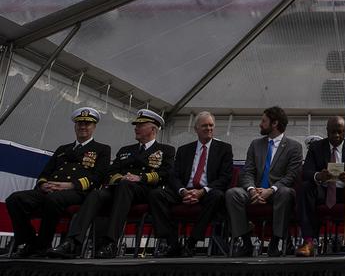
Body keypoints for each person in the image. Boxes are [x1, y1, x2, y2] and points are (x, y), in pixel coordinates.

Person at [49, 109, 175, 259]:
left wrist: (140, 178)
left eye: (140, 125)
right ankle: (73, 242)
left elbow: (166, 174)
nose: (136, 128)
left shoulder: (166, 150)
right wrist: (121, 178)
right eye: (136, 125)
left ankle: (110, 243)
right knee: (96, 194)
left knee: (125, 186)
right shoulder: (125, 150)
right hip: (120, 188)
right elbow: (109, 173)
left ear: (153, 129)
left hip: (144, 191)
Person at [7, 108, 111, 258]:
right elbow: (45, 173)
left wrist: (71, 185)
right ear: (75, 126)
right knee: (15, 200)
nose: (83, 127)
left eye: (87, 124)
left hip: (77, 192)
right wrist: (43, 184)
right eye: (79, 123)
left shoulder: (102, 149)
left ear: (94, 127)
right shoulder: (63, 149)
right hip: (50, 190)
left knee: (53, 200)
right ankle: (29, 242)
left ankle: (43, 246)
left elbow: (99, 177)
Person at [149, 111, 233, 257]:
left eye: (211, 125)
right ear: (196, 129)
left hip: (207, 192)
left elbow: (225, 178)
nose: (209, 128)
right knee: (156, 195)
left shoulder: (224, 149)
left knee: (217, 196)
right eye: (205, 126)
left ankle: (192, 243)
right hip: (184, 191)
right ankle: (172, 243)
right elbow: (173, 175)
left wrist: (202, 192)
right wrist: (182, 191)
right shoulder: (184, 150)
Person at [225, 106, 302, 257]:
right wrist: (252, 189)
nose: (260, 124)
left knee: (286, 193)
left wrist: (270, 190)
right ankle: (246, 243)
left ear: (274, 124)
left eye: (264, 121)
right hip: (255, 190)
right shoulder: (256, 144)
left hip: (276, 192)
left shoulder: (294, 147)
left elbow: (291, 176)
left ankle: (274, 243)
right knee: (232, 194)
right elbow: (247, 171)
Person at [296, 116, 345, 257]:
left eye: (340, 132)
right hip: (324, 191)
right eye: (333, 132)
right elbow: (306, 172)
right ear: (327, 131)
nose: (336, 135)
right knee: (306, 187)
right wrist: (318, 176)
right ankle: (308, 242)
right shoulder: (316, 148)